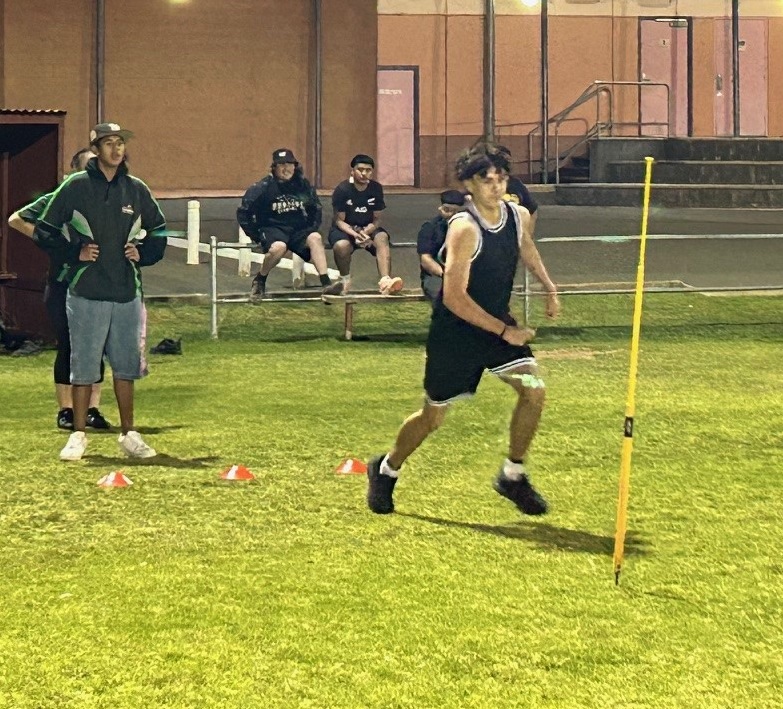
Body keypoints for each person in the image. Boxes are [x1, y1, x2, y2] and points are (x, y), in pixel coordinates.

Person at [366, 142, 561, 516]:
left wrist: (548, 286)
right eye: (487, 180)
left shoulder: (517, 215)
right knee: (432, 416)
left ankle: (513, 475)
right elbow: (454, 297)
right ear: (470, 184)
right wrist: (506, 332)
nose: (496, 186)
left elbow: (527, 247)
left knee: (534, 389)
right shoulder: (464, 228)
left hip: (496, 328)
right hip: (455, 334)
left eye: (501, 178)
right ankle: (386, 469)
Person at [32, 122, 167, 461]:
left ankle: (129, 434)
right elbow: (45, 230)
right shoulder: (75, 187)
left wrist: (144, 251)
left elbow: (160, 229)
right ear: (96, 149)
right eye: (109, 143)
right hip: (85, 290)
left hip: (126, 291)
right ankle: (78, 435)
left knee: (125, 366)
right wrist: (73, 253)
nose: (116, 149)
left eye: (120, 143)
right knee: (84, 365)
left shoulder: (136, 189)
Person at [8, 147, 112, 432]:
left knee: (97, 345)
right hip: (64, 282)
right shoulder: (60, 198)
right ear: (76, 171)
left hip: (100, 284)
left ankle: (92, 409)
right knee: (69, 343)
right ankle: (66, 410)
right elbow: (16, 219)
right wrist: (61, 248)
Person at [237, 148, 335, 300]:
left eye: (289, 164)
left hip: (297, 229)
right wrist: (256, 236)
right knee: (278, 248)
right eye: (281, 165)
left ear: (295, 166)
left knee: (315, 237)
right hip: (272, 228)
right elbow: (244, 212)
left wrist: (311, 227)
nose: (286, 169)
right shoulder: (262, 188)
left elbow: (315, 207)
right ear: (274, 168)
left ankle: (326, 284)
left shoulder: (301, 185)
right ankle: (260, 280)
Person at [322, 154, 403, 296]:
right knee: (341, 246)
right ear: (352, 171)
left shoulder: (376, 188)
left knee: (382, 237)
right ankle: (344, 280)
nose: (364, 173)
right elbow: (339, 220)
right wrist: (356, 235)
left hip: (367, 228)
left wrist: (367, 231)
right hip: (346, 229)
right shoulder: (343, 189)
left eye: (368, 170)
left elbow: (377, 219)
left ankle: (385, 281)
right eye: (360, 169)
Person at [416, 189, 466, 304]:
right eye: (448, 210)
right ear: (441, 209)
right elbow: (426, 260)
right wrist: (446, 275)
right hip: (437, 275)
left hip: (466, 273)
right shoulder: (430, 228)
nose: (452, 215)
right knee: (442, 296)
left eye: (457, 212)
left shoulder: (471, 226)